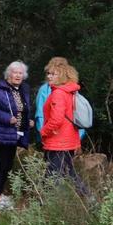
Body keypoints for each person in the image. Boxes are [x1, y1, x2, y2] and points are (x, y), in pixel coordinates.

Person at [40, 57, 88, 194]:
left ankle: (46, 208)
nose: (49, 76)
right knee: (68, 174)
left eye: (53, 74)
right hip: (68, 141)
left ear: (61, 75)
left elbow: (56, 120)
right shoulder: (70, 92)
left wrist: (43, 131)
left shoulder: (58, 94)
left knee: (52, 177)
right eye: (48, 73)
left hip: (58, 142)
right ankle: (89, 202)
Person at [0, 61, 31, 205]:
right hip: (0, 134)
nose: (18, 75)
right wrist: (7, 118)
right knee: (0, 166)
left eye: (20, 73)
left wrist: (28, 121)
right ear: (8, 74)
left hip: (14, 135)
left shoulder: (23, 90)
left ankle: (0, 193)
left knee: (7, 165)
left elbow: (23, 111)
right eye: (15, 72)